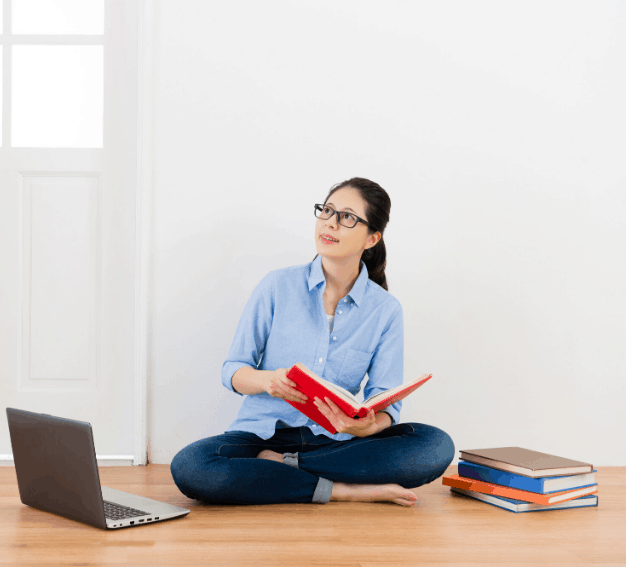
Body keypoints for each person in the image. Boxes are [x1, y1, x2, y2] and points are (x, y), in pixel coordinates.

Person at [169, 177, 455, 506]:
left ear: (372, 238)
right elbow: (233, 370)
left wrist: (365, 428)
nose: (330, 223)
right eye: (327, 211)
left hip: (337, 443)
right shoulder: (277, 286)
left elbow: (386, 404)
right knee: (192, 467)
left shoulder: (385, 310)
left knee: (435, 445)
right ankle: (341, 490)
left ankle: (286, 471)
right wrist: (268, 380)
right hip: (262, 437)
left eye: (347, 217)